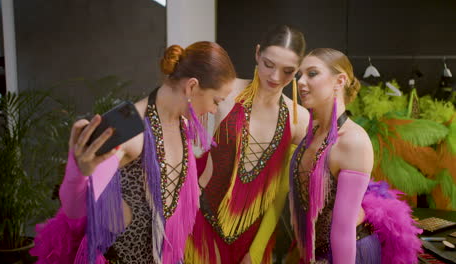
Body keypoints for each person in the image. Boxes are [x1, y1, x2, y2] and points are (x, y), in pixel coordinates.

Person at [30, 41, 236, 264]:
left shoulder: (181, 125)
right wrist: (80, 172)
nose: (214, 110)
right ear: (192, 87)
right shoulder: (126, 125)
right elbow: (73, 211)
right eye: (216, 101)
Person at [184, 25, 310, 264]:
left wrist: (257, 250)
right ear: (257, 53)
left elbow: (280, 192)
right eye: (268, 64)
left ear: (298, 71)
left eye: (287, 71)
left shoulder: (300, 119)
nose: (275, 77)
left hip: (252, 236)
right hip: (199, 220)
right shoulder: (226, 91)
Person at [290, 48, 422, 263]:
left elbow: (343, 229)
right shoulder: (311, 132)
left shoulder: (353, 141)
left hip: (349, 254)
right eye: (299, 75)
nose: (301, 82)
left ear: (339, 81)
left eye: (312, 73)